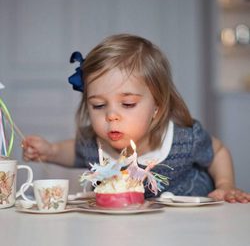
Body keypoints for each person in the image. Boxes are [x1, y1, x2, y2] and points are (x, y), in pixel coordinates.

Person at [22, 34, 250, 203]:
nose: (111, 115)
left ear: (157, 108)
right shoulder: (96, 145)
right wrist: (50, 150)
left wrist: (225, 185)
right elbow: (75, 151)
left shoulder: (183, 139)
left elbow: (217, 152)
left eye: (128, 104)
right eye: (99, 105)